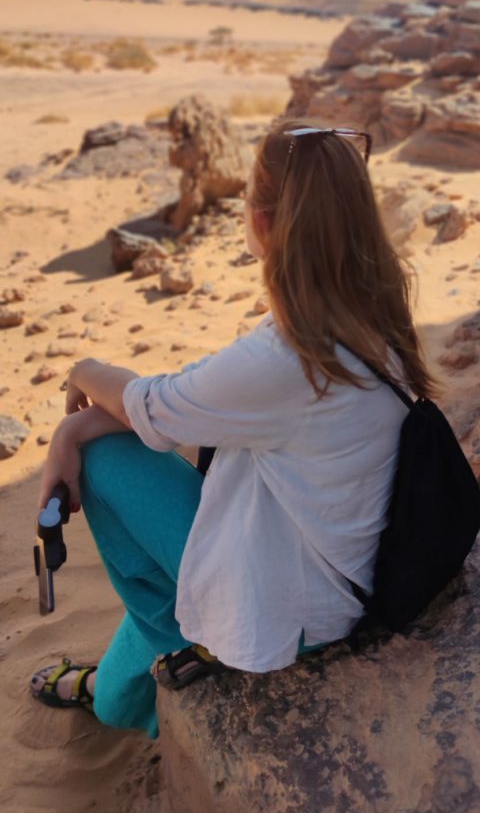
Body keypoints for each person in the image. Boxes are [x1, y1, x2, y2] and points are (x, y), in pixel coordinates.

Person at [30, 122, 437, 739]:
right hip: (325, 559)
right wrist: (81, 425)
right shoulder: (368, 309)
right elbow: (196, 399)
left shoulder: (295, 355)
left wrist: (82, 377)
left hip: (296, 602)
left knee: (107, 455)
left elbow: (152, 408)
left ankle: (171, 639)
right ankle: (145, 656)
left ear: (264, 222)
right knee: (114, 437)